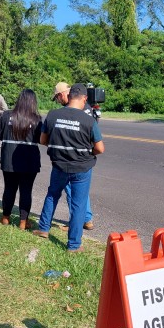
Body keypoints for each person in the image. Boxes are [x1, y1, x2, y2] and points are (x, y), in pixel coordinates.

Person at [33, 83, 105, 253]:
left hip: (59, 165)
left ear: (69, 96)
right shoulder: (89, 120)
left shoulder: (53, 115)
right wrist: (88, 152)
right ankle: (73, 245)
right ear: (85, 98)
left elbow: (43, 140)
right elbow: (100, 148)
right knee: (79, 204)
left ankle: (43, 229)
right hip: (81, 167)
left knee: (52, 194)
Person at [0, 89, 42, 230]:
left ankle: (5, 217)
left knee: (9, 188)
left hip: (9, 158)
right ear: (33, 102)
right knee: (26, 190)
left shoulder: (6, 115)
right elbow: (41, 139)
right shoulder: (37, 119)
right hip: (29, 159)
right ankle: (23, 222)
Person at [52, 82, 96, 230]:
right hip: (85, 153)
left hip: (74, 156)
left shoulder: (73, 108)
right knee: (81, 191)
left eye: (57, 97)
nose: (58, 101)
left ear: (63, 94)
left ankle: (76, 223)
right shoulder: (86, 107)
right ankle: (87, 218)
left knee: (71, 190)